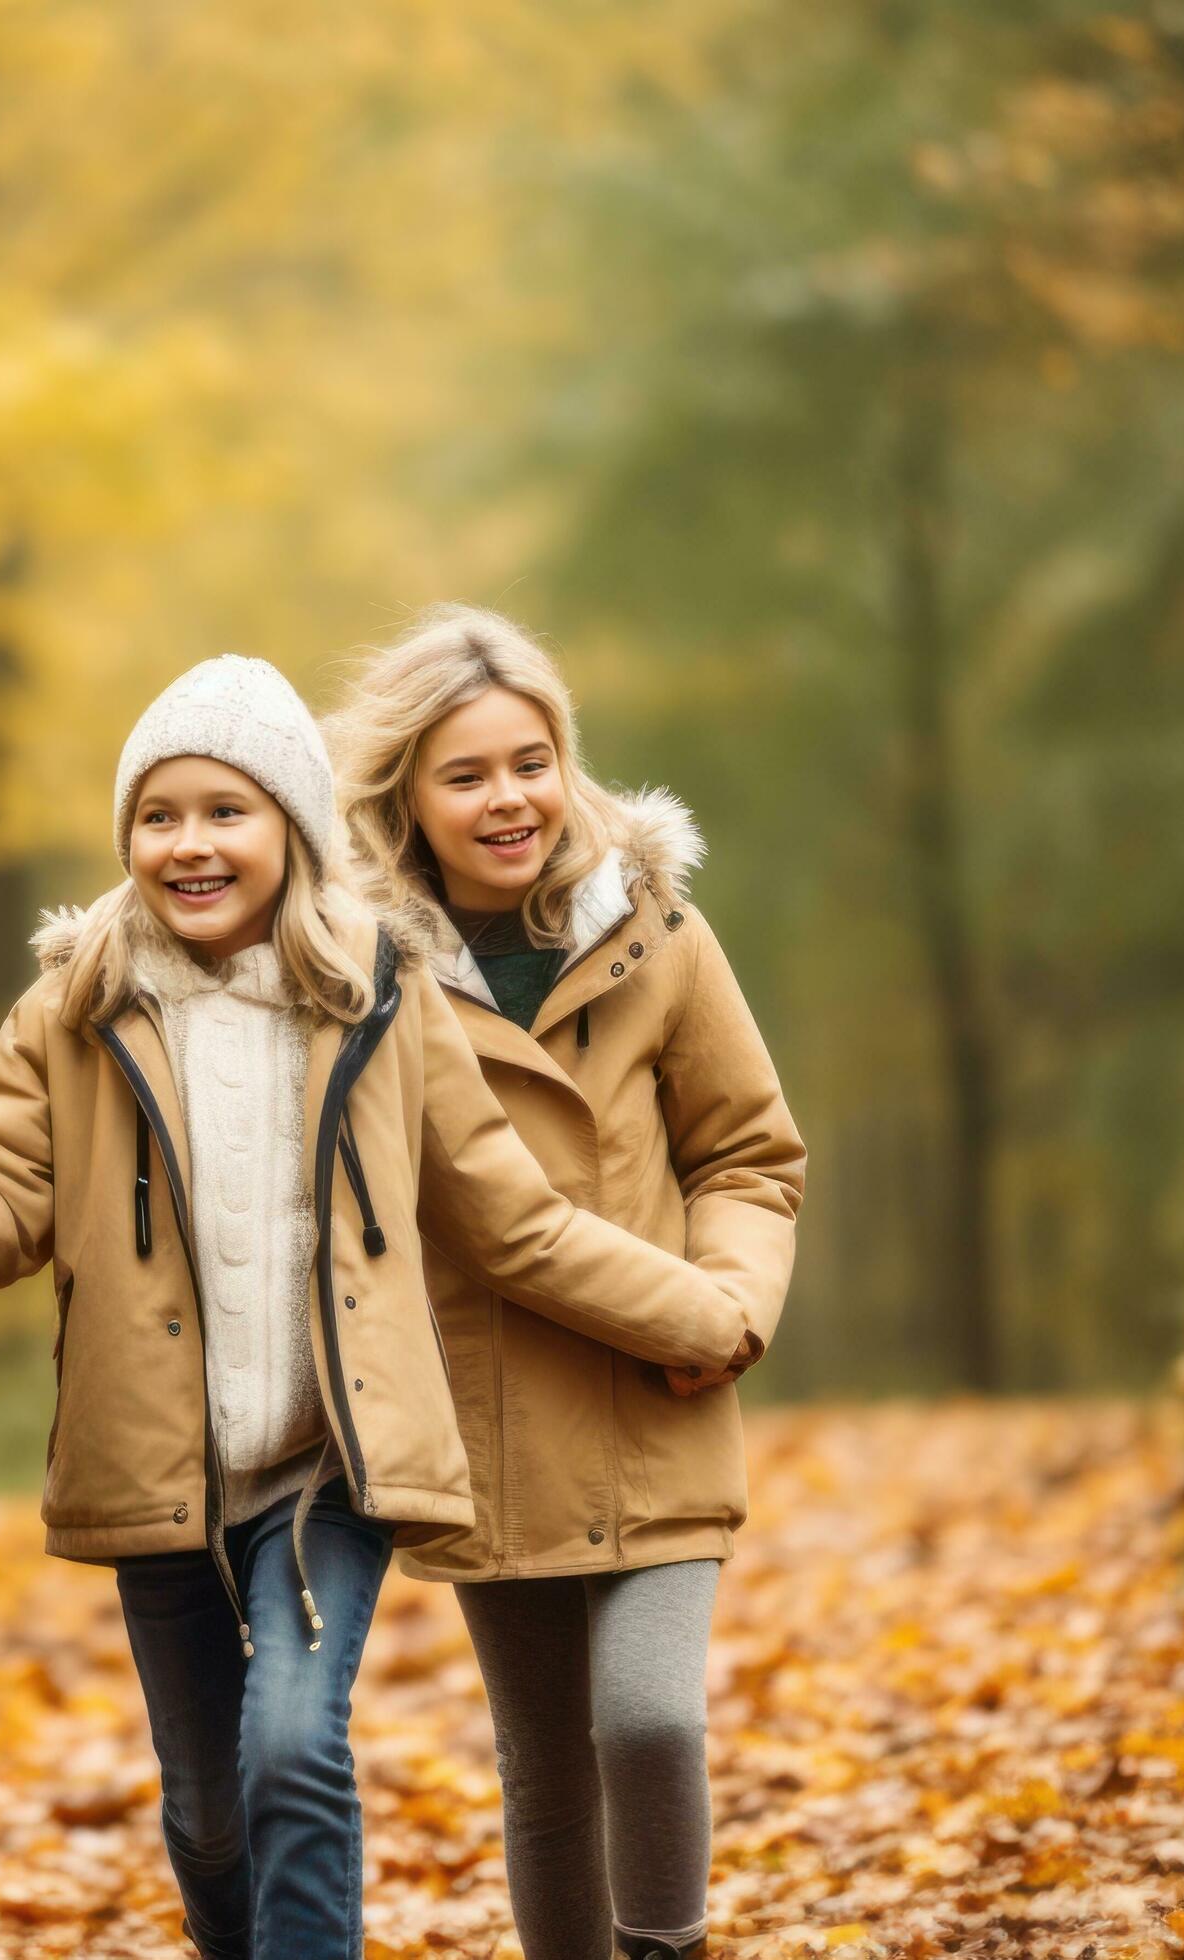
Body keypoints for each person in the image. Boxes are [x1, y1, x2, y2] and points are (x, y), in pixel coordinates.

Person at [0, 654, 751, 1958]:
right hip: (156, 1473)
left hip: (328, 1471)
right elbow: (3, 1205)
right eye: (159, 816)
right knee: (207, 1816)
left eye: (226, 812)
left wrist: (700, 1316)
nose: (190, 844)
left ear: (293, 833)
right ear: (127, 837)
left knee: (292, 1752)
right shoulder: (75, 1009)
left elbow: (514, 1219)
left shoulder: (378, 997)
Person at [326, 605, 807, 1960]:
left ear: (567, 761)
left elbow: (750, 1153)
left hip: (663, 1385)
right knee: (546, 1779)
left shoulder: (657, 934)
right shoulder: (362, 977)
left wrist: (733, 1305)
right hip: (488, 1423)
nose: (509, 798)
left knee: (649, 1719)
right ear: (408, 797)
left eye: (531, 761)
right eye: (466, 774)